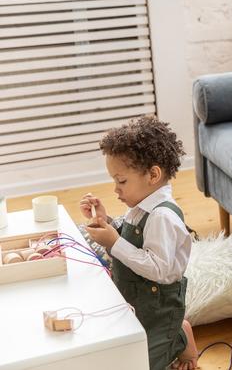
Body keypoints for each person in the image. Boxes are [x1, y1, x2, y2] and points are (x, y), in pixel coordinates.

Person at [82, 116, 198, 370]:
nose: (116, 189)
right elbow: (130, 237)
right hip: (135, 298)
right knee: (124, 346)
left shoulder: (162, 216)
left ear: (153, 175)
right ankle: (172, 333)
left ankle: (178, 335)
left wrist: (114, 243)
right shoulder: (140, 206)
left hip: (159, 308)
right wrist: (106, 222)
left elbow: (160, 271)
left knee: (142, 363)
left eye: (121, 181)